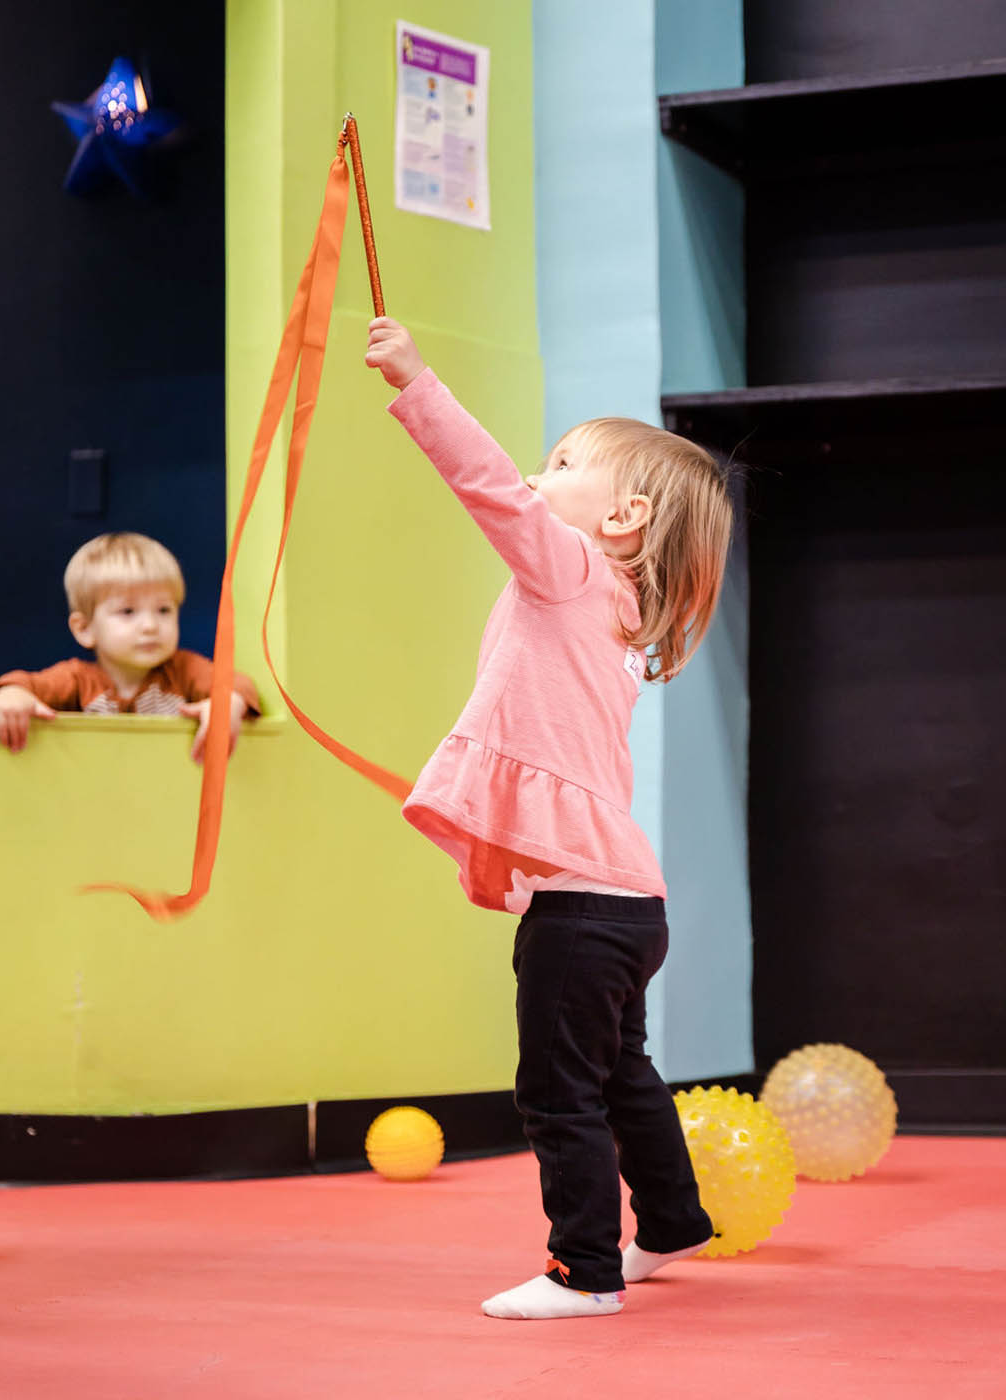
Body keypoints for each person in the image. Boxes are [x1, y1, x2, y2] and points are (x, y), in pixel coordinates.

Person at [366, 316, 732, 1320]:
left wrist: (415, 381)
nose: (538, 469)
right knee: (622, 1073)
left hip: (578, 907)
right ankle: (670, 1220)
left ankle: (584, 1266)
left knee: (556, 1089)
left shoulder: (567, 570)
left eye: (563, 462)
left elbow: (483, 482)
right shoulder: (610, 605)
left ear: (622, 518)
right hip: (628, 901)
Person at [0, 532, 260, 761]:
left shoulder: (185, 669)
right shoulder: (76, 678)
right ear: (85, 629)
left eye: (163, 610)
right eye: (128, 612)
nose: (150, 625)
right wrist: (10, 696)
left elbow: (236, 684)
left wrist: (226, 705)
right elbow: (24, 684)